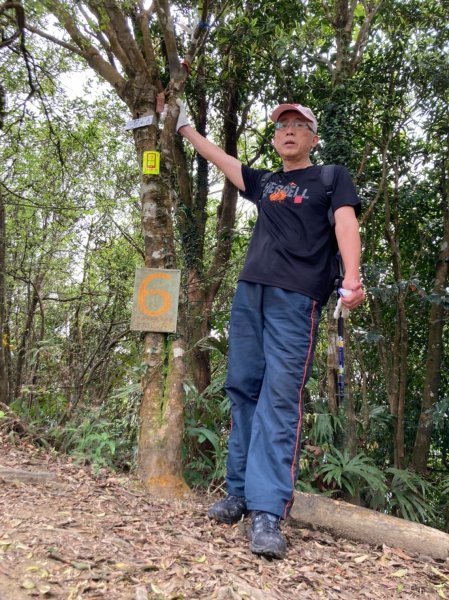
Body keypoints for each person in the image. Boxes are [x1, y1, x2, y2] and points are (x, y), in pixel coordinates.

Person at [176, 100, 365, 559]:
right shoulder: (266, 182)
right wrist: (184, 126)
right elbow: (222, 160)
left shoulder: (329, 177)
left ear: (313, 138)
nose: (289, 132)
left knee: (280, 398)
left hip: (295, 297)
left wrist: (352, 278)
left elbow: (346, 222)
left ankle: (267, 510)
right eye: (283, 125)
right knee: (242, 389)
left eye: (300, 126)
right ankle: (240, 492)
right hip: (250, 294)